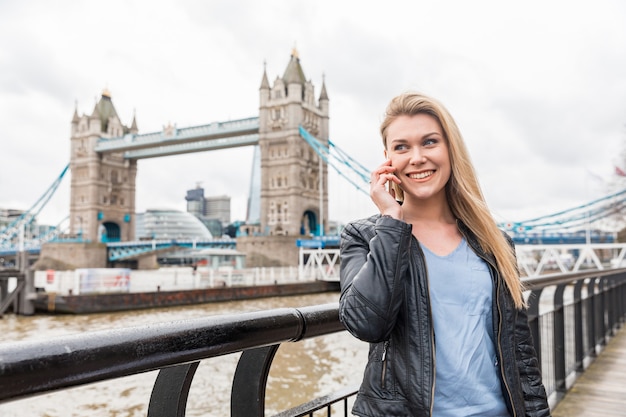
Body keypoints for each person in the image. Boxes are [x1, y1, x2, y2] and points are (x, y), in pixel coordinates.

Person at [338, 92, 551, 417]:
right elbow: (365, 324)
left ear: (451, 149)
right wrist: (391, 222)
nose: (417, 157)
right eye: (402, 147)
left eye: (430, 142)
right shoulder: (366, 237)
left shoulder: (495, 243)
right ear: (387, 159)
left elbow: (521, 354)